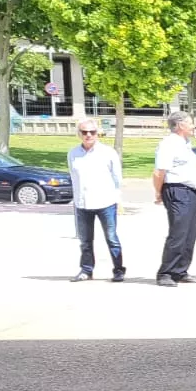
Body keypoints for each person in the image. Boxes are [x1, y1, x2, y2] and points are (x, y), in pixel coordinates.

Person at [66, 117, 125, 283]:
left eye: (92, 132)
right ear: (79, 134)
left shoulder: (108, 153)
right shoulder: (73, 154)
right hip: (82, 204)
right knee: (85, 241)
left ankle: (118, 270)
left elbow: (117, 178)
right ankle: (86, 270)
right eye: (84, 132)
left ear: (97, 134)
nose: (88, 135)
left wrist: (117, 199)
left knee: (111, 238)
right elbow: (73, 176)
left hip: (105, 202)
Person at [152, 111, 196, 287]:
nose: (193, 126)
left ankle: (181, 270)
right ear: (180, 125)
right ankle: (165, 273)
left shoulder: (185, 144)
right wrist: (158, 193)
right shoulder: (168, 144)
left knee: (190, 234)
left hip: (191, 192)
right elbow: (159, 172)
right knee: (178, 233)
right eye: (190, 123)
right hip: (177, 190)